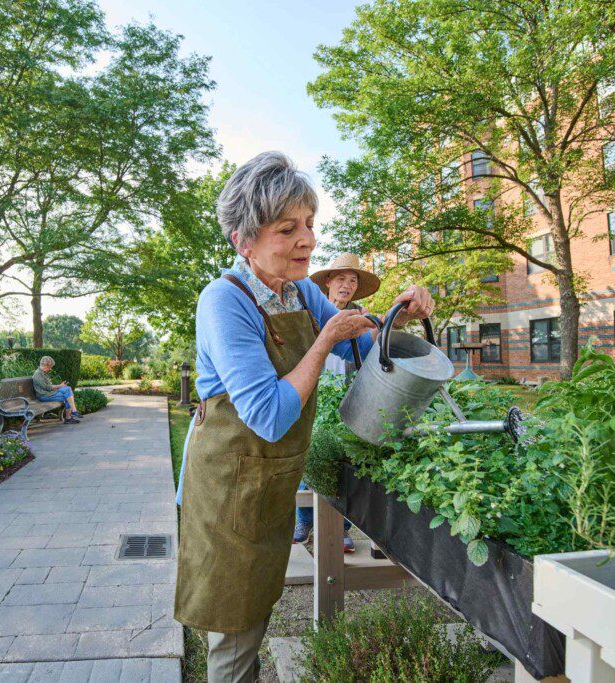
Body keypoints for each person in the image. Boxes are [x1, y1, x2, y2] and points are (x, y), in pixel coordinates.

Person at [173, 151, 433, 683]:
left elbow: (361, 341)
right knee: (233, 636)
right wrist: (325, 340)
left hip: (268, 481)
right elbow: (268, 414)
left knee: (259, 614)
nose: (307, 240)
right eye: (287, 228)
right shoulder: (224, 301)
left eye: (310, 225)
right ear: (243, 240)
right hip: (226, 490)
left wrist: (398, 317)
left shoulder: (301, 292)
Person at [291, 252, 384, 553]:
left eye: (353, 280)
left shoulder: (362, 316)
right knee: (311, 452)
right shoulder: (311, 311)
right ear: (328, 281)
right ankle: (305, 520)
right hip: (312, 388)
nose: (346, 285)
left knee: (345, 457)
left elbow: (366, 355)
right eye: (341, 278)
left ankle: (341, 527)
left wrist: (377, 328)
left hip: (344, 393)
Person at [31, 356, 82, 424]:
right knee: (68, 396)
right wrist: (60, 386)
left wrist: (61, 386)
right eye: (50, 367)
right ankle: (70, 416)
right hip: (44, 396)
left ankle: (73, 413)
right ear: (45, 365)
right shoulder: (37, 375)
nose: (50, 368)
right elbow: (48, 387)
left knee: (68, 389)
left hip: (50, 393)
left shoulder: (43, 373)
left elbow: (50, 386)